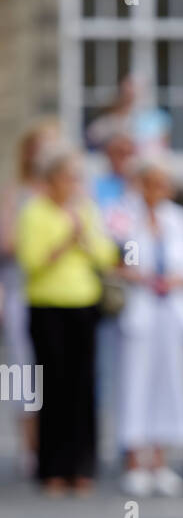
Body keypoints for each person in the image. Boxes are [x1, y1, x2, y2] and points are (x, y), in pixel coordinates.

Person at [15, 144, 117, 494]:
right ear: (52, 179)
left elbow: (105, 255)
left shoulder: (85, 210)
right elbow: (30, 260)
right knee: (54, 386)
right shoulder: (34, 212)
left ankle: (82, 465)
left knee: (83, 386)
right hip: (47, 307)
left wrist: (84, 238)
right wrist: (64, 241)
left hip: (83, 305)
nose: (73, 184)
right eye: (68, 177)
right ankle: (52, 468)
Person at [115, 158, 183, 497]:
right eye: (152, 183)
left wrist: (176, 279)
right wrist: (143, 273)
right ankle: (134, 461)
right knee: (137, 381)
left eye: (163, 183)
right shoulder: (125, 217)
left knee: (171, 381)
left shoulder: (180, 219)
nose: (159, 190)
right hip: (141, 308)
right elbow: (121, 263)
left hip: (172, 310)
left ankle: (160, 461)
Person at [0, 119, 62, 476]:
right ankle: (27, 443)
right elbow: (8, 243)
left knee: (56, 366)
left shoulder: (64, 193)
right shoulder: (18, 191)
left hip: (56, 290)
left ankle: (55, 441)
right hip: (22, 287)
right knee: (23, 368)